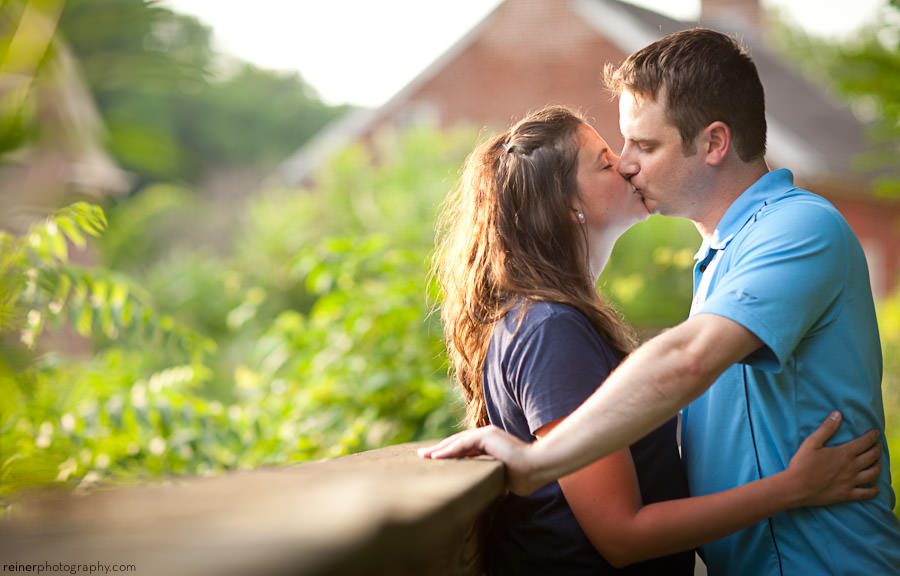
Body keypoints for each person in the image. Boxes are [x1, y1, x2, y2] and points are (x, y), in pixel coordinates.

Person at [422, 29, 900, 575]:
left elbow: (687, 359)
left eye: (644, 146)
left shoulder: (797, 227)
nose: (627, 165)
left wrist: (539, 461)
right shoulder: (722, 255)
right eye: (619, 149)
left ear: (714, 143)